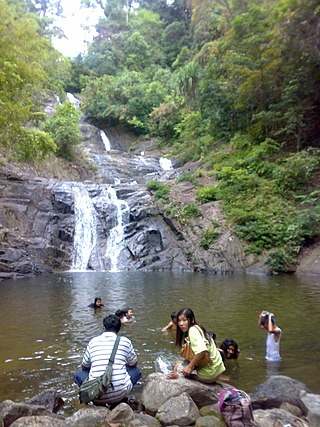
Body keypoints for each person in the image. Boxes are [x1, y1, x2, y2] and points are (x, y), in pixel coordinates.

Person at [73, 314, 142, 406]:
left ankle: (96, 400)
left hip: (96, 395)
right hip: (119, 394)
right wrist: (122, 365)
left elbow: (84, 366)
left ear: (103, 328)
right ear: (119, 329)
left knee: (78, 374)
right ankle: (117, 401)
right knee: (137, 371)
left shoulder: (93, 341)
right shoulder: (125, 341)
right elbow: (133, 364)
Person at [175, 308, 225, 383]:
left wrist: (189, 367)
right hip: (218, 372)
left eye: (184, 320)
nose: (181, 324)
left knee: (177, 367)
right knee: (181, 363)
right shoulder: (199, 328)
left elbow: (202, 350)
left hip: (209, 375)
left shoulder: (192, 330)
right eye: (179, 321)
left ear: (192, 319)